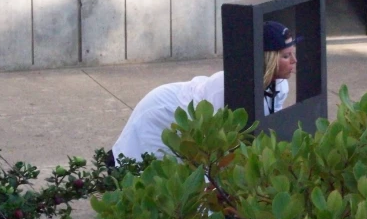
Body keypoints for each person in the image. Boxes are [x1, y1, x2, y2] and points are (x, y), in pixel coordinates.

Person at [110, 21, 298, 164]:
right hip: (164, 113)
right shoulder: (225, 88)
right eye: (286, 56)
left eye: (293, 53)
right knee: (141, 166)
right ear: (268, 59)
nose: (294, 61)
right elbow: (212, 148)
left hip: (188, 120)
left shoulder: (280, 86)